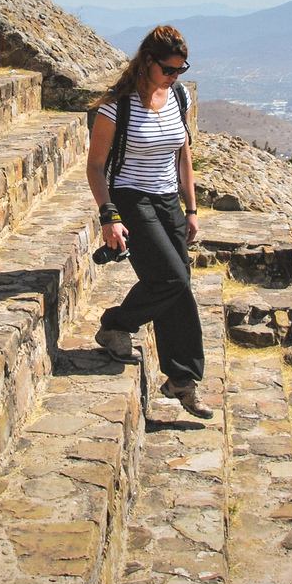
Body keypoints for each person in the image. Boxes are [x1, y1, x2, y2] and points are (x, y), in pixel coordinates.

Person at [87, 25, 212, 420]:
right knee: (172, 279)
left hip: (168, 202)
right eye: (169, 70)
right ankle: (114, 324)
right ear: (147, 62)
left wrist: (191, 209)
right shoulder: (116, 106)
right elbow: (95, 167)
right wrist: (110, 216)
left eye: (181, 69)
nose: (175, 76)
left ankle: (182, 380)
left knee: (179, 286)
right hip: (131, 198)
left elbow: (183, 155)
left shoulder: (178, 96)